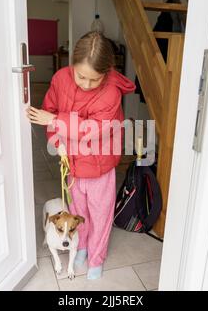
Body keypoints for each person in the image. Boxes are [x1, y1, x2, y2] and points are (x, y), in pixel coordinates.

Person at [27, 31, 136, 280]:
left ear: (107, 72)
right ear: (72, 65)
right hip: (72, 164)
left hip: (100, 164)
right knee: (77, 212)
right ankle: (82, 249)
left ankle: (96, 258)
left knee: (100, 214)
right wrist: (57, 141)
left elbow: (93, 129)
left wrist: (55, 120)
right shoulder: (60, 79)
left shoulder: (111, 93)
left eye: (94, 79)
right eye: (81, 76)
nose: (85, 84)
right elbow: (49, 112)